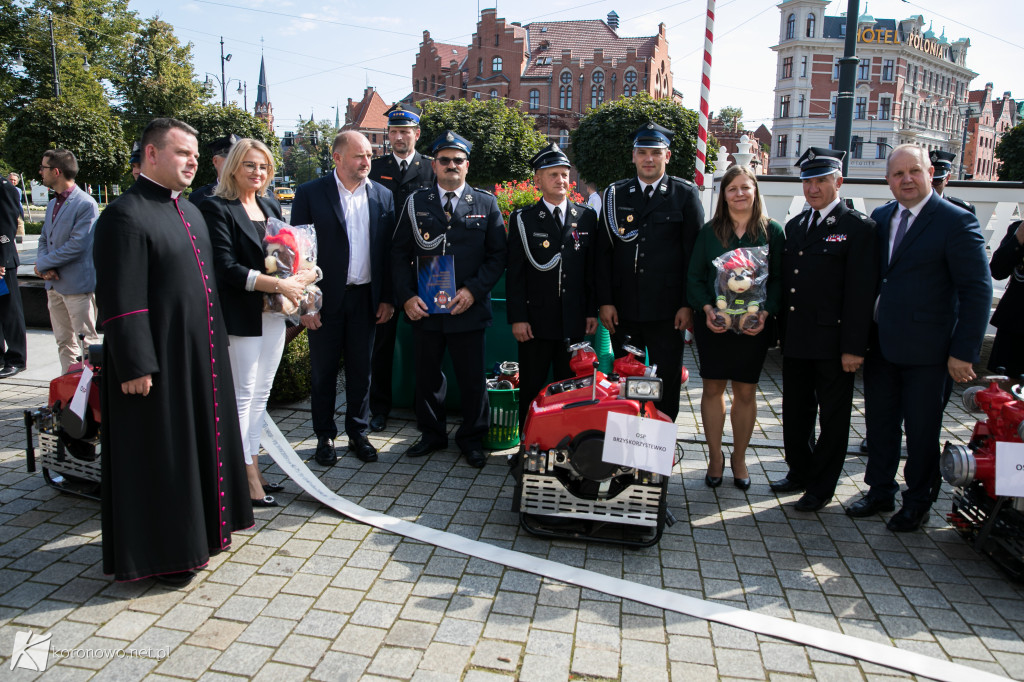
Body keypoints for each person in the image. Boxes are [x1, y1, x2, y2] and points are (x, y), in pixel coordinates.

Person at [92, 117, 253, 586]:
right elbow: (121, 298)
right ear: (151, 154)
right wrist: (136, 362)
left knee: (194, 449)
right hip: (155, 364)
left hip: (197, 357)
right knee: (163, 456)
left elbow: (206, 288)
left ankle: (200, 535)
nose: (193, 162)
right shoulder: (124, 214)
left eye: (196, 156)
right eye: (183, 153)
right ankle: (164, 554)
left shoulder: (191, 211)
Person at [850, 144, 992, 532]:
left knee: (922, 430)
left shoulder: (956, 221)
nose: (906, 180)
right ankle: (879, 490)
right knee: (879, 425)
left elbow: (977, 290)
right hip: (882, 345)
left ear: (931, 173)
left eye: (914, 171)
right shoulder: (881, 217)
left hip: (931, 353)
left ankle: (917, 501)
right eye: (898, 174)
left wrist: (964, 352)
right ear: (888, 181)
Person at [203, 138, 317, 507]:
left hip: (273, 312)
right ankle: (245, 474)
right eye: (251, 165)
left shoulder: (269, 204)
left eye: (264, 167)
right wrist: (277, 282)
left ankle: (251, 463)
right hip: (240, 313)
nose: (258, 172)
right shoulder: (216, 207)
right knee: (242, 396)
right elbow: (224, 268)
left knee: (261, 395)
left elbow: (283, 254)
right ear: (234, 166)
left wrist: (304, 272)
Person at [392, 130, 507, 468]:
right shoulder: (416, 202)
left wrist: (473, 291)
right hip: (425, 307)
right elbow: (398, 253)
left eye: (458, 160)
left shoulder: (485, 203)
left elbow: (497, 256)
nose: (451, 166)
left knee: (472, 379)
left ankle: (472, 438)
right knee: (427, 376)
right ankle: (431, 434)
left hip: (467, 307)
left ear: (467, 165)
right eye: (445, 160)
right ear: (434, 165)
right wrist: (407, 297)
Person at [772, 148, 878, 511]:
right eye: (807, 181)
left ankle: (822, 487)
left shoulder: (858, 228)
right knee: (795, 411)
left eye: (821, 180)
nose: (813, 188)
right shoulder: (797, 225)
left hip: (834, 343)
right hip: (798, 337)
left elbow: (861, 294)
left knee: (833, 418)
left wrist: (854, 347)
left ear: (839, 182)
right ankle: (799, 471)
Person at [292, 131, 396, 466]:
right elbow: (299, 253)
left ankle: (358, 433)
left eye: (369, 155)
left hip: (366, 299)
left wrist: (388, 298)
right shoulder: (310, 193)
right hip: (324, 301)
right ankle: (324, 437)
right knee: (323, 373)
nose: (366, 162)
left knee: (361, 371)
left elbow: (388, 253)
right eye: (358, 156)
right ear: (337, 158)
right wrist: (306, 304)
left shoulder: (382, 195)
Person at [596, 122, 704, 422]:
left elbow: (693, 256)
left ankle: (660, 451)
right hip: (623, 309)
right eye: (642, 152)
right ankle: (628, 448)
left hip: (668, 311)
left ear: (666, 156)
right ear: (633, 156)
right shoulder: (615, 194)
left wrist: (687, 304)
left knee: (666, 382)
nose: (648, 159)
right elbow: (603, 253)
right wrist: (605, 301)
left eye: (655, 153)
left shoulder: (684, 194)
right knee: (626, 380)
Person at [687, 165, 783, 490]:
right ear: (723, 194)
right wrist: (708, 308)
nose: (739, 194)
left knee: (745, 390)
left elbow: (782, 280)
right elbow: (695, 278)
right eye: (732, 188)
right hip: (715, 324)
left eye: (746, 187)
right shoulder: (709, 232)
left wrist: (766, 314)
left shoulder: (773, 232)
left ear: (755, 191)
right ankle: (715, 457)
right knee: (713, 389)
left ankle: (739, 458)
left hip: (754, 326)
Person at [507, 143, 598, 428]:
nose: (561, 180)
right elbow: (515, 274)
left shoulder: (585, 217)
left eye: (564, 174)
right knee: (533, 386)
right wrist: (518, 318)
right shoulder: (523, 219)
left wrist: (591, 311)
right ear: (538, 180)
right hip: (535, 322)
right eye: (553, 175)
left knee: (571, 387)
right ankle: (527, 443)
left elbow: (592, 272)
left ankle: (565, 444)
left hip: (574, 321)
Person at [367, 103, 435, 432]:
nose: (398, 137)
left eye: (404, 132)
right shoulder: (375, 167)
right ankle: (379, 407)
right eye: (393, 132)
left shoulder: (432, 168)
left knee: (428, 343)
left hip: (424, 266)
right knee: (382, 341)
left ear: (416, 134)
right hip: (384, 266)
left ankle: (426, 411)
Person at [35, 149, 101, 374]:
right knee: (64, 343)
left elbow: (77, 245)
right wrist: (44, 266)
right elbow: (45, 238)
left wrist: (43, 265)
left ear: (56, 171)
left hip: (76, 287)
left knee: (87, 346)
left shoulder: (85, 203)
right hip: (53, 285)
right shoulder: (53, 204)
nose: (40, 172)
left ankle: (91, 397)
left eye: (43, 168)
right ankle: (69, 395)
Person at [987, 220, 1024, 378]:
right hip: (1016, 324)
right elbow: (997, 271)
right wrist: (1018, 241)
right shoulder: (1018, 228)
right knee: (1006, 391)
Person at [0, 172, 26, 379]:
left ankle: (16, 358)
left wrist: (1, 260)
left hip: (3, 263)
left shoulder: (5, 187)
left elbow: (7, 227)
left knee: (10, 311)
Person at [189, 134, 240, 207]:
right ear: (215, 161)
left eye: (240, 159)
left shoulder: (253, 195)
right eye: (229, 159)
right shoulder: (198, 197)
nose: (235, 163)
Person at [929, 150, 975, 215]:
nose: (931, 185)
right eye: (927, 180)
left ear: (947, 178)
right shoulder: (911, 206)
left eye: (936, 181)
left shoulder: (962, 210)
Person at [8, 172, 24, 242]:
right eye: (11, 179)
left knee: (20, 226)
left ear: (17, 182)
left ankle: (20, 243)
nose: (12, 181)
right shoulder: (3, 189)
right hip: (6, 212)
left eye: (14, 180)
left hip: (17, 212)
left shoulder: (19, 190)